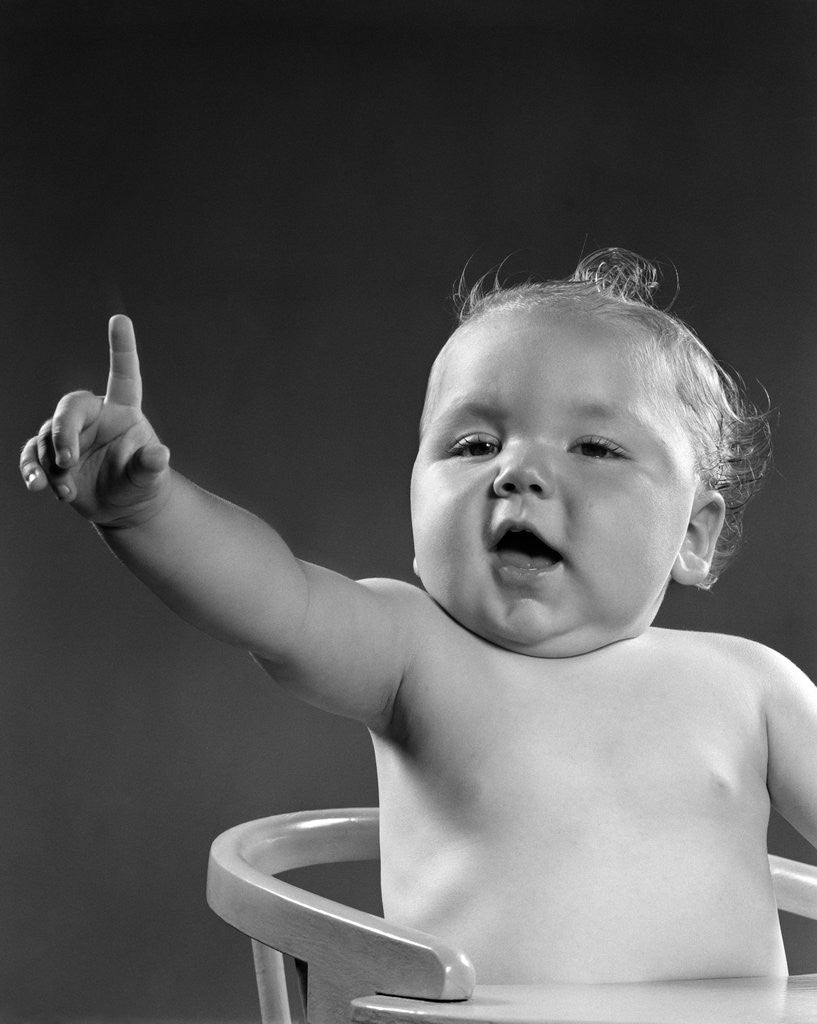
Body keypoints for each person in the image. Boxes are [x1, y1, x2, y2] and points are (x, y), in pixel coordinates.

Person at [20, 249, 817, 984]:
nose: (519, 472)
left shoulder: (748, 688)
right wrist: (149, 512)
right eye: (473, 444)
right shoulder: (411, 651)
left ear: (693, 535)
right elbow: (271, 599)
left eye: (595, 448)